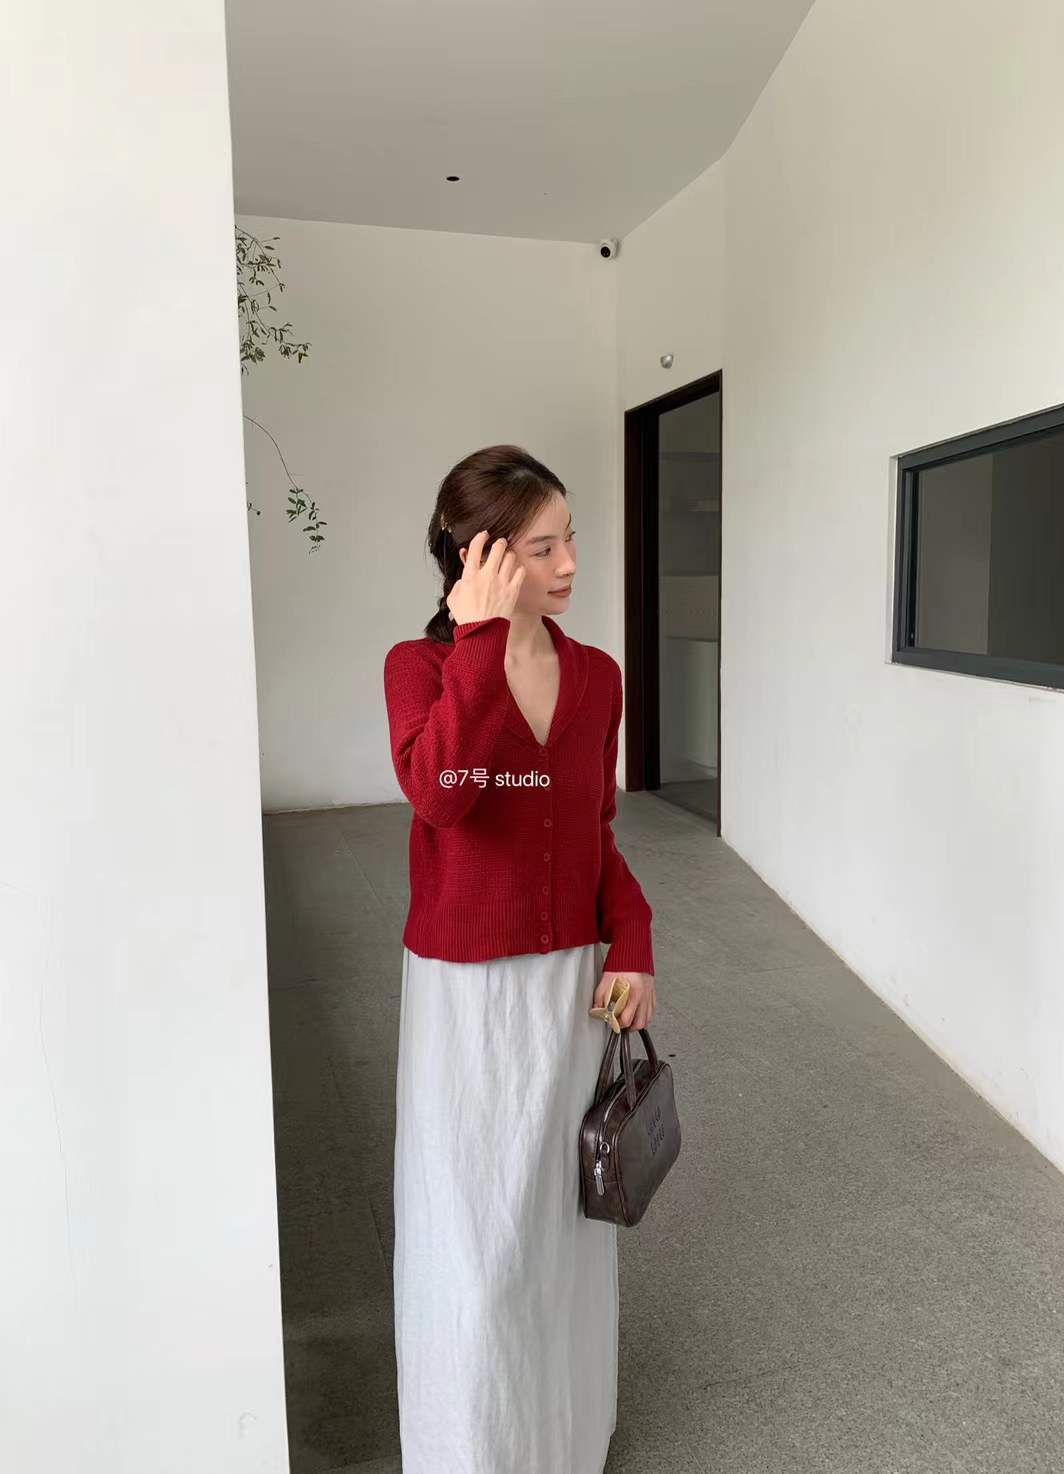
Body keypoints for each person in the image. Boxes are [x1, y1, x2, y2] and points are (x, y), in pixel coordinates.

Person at [382, 443, 657, 1474]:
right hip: (465, 995)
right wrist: (481, 641)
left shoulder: (597, 678)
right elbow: (444, 793)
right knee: (476, 1236)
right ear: (481, 557)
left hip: (570, 989)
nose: (571, 562)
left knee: (557, 1226)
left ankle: (562, 1439)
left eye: (569, 537)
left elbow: (595, 830)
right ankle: (472, 1448)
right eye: (542, 547)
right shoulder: (420, 669)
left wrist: (634, 939)